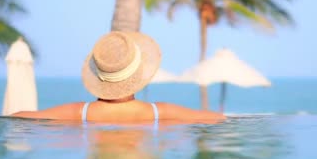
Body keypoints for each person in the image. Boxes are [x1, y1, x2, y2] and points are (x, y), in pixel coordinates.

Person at [12, 31, 225, 123]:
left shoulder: (80, 113)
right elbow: (217, 118)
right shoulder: (159, 113)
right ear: (139, 73)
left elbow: (20, 116)